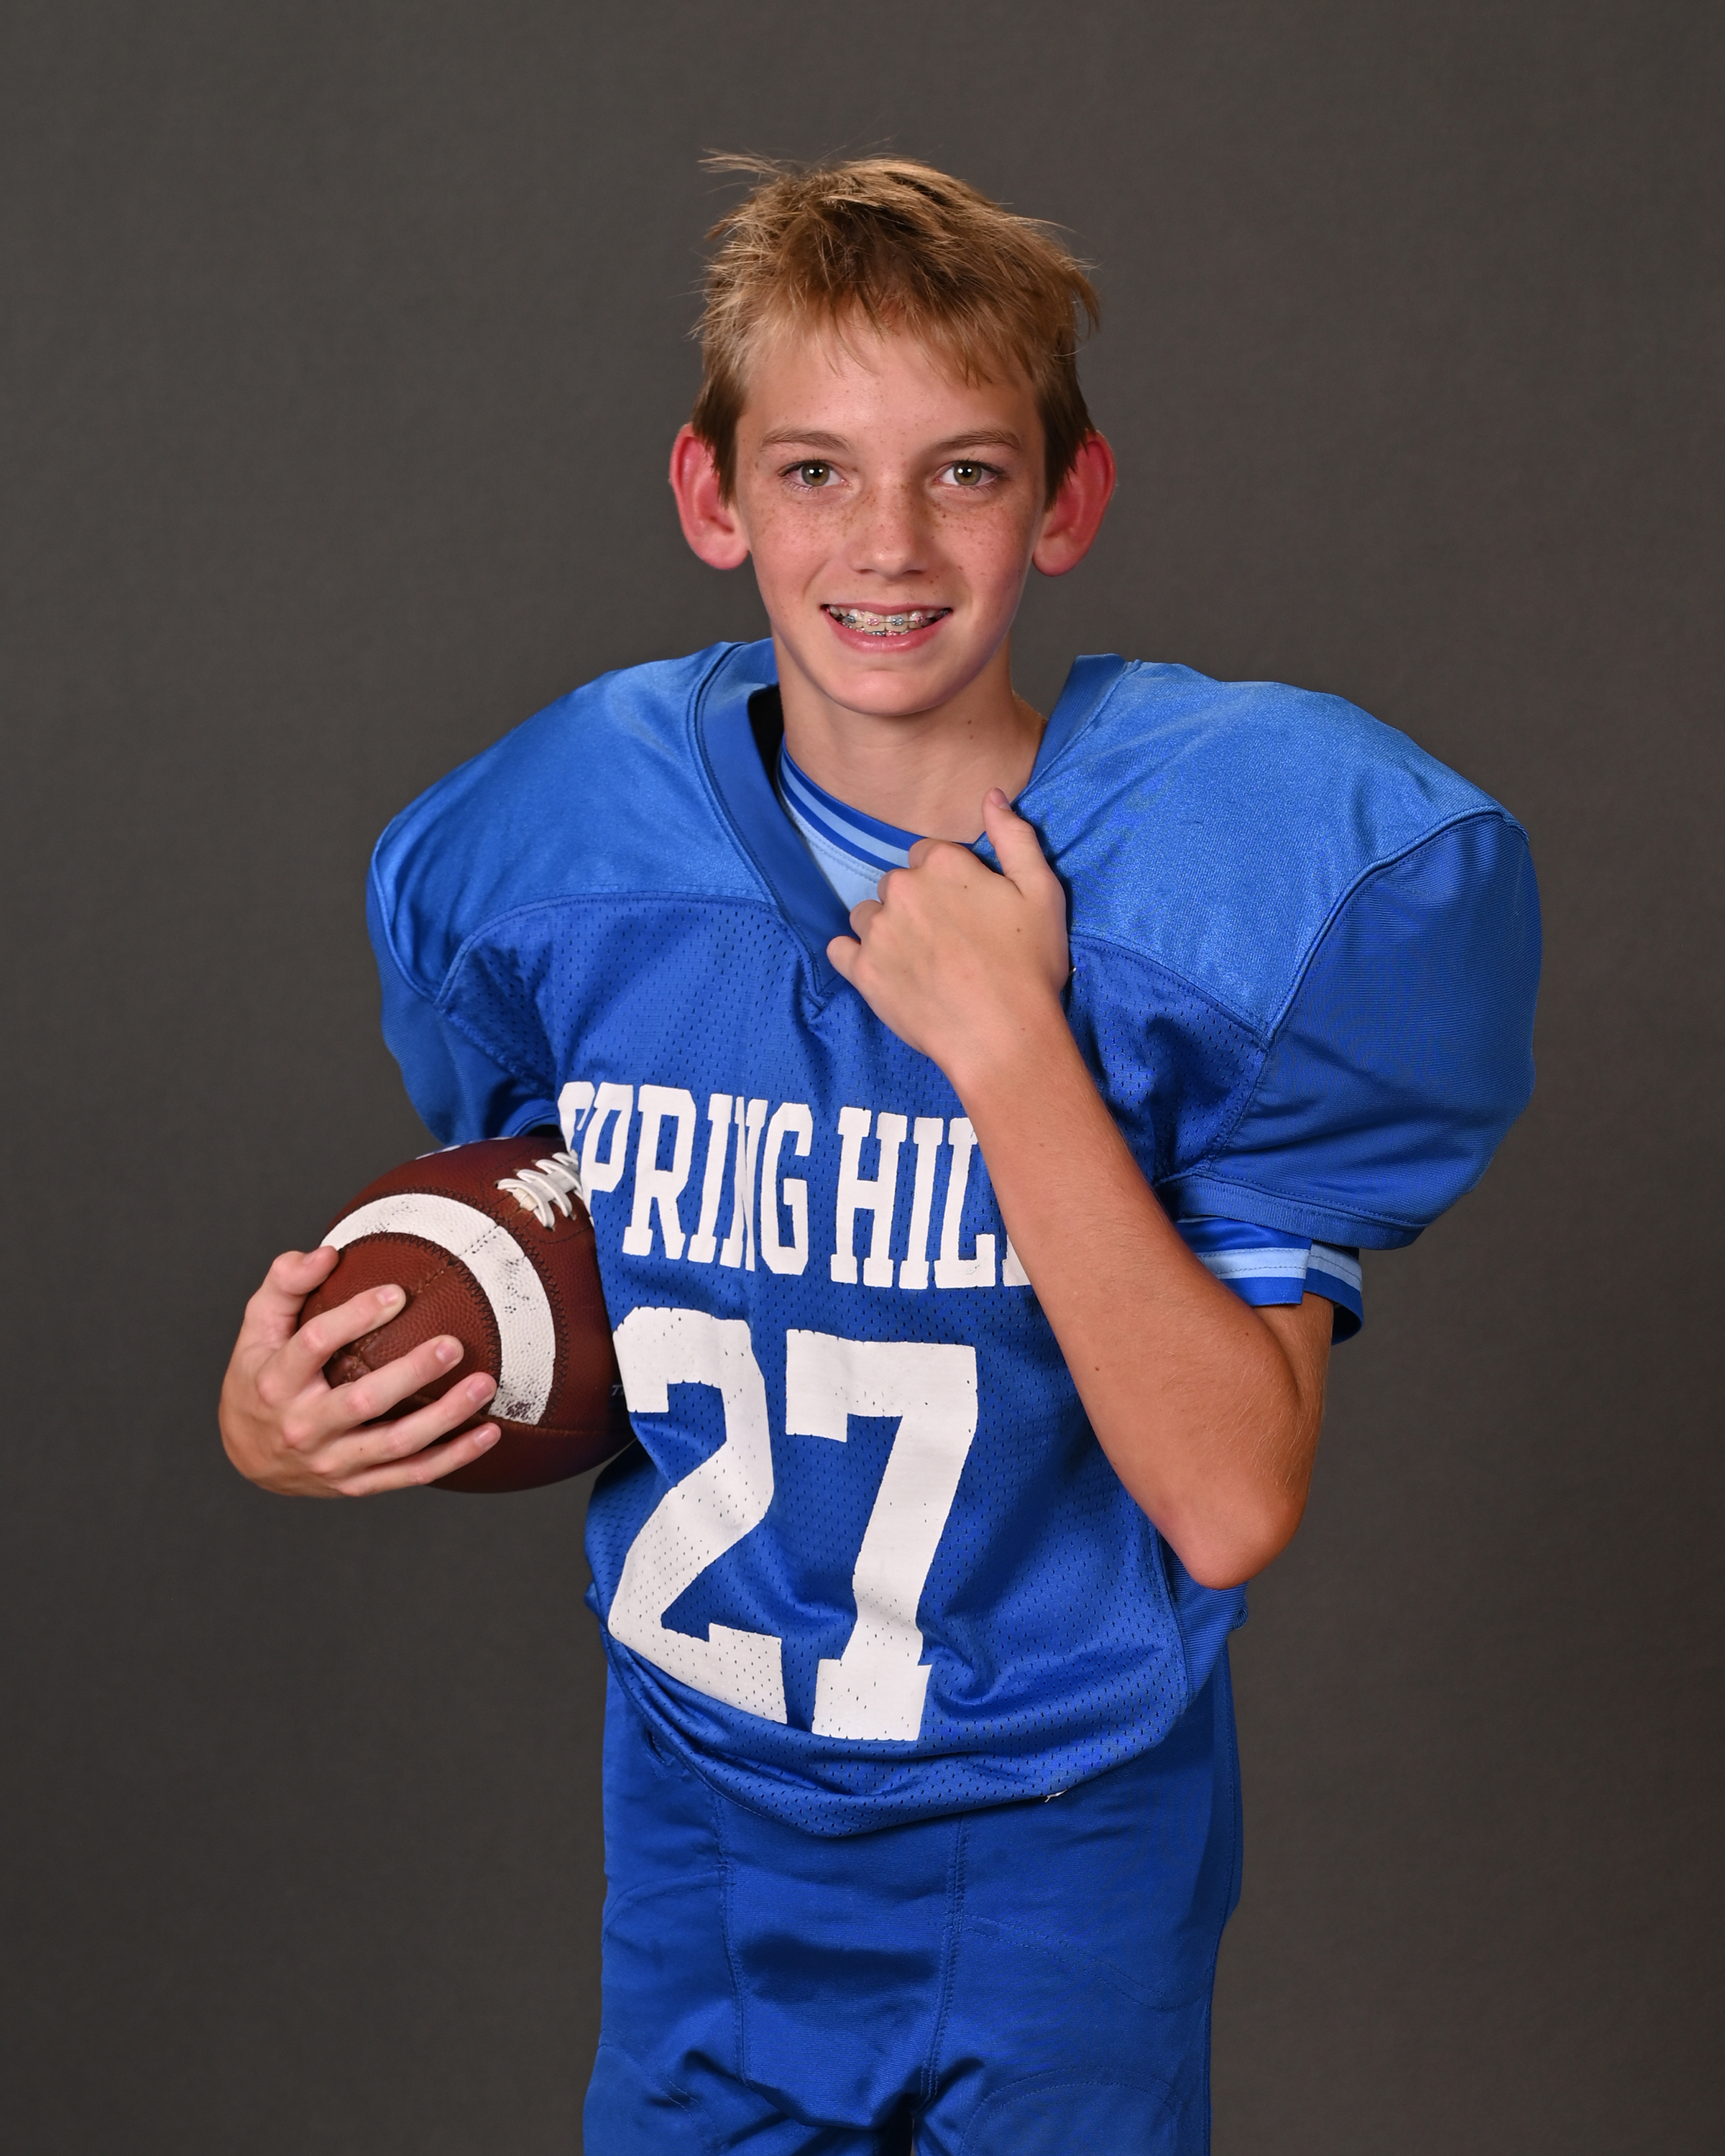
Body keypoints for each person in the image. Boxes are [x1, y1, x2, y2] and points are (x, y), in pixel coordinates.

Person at [219, 157, 1540, 2152]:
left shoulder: (1210, 884)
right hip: (701, 1824)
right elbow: (537, 1270)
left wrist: (1010, 1043)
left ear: (1066, 503)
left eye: (967, 472)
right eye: (818, 471)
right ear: (714, 497)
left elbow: (1226, 1502)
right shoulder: (575, 851)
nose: (889, 542)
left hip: (1061, 1837)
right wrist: (286, 1420)